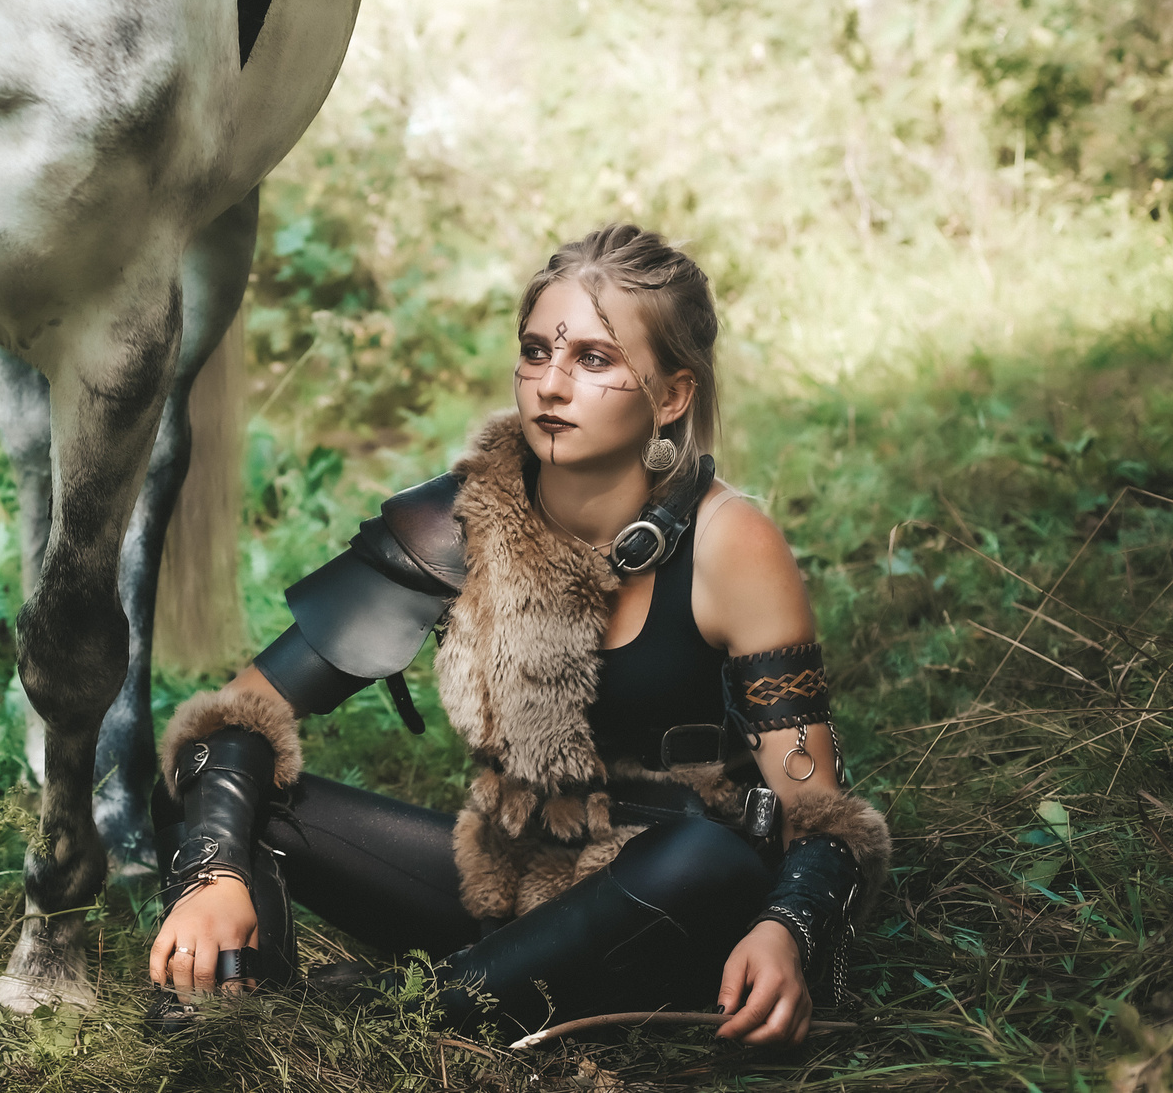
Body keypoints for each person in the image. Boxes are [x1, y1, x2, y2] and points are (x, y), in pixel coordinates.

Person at [147, 224, 889, 1043]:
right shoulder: (460, 517)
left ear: (672, 394)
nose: (552, 384)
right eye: (536, 352)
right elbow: (233, 715)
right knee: (220, 788)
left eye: (595, 359)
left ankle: (383, 1014)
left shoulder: (731, 542)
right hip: (507, 886)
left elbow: (820, 815)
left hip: (667, 913)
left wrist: (788, 926)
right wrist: (213, 869)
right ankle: (234, 1013)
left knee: (709, 859)